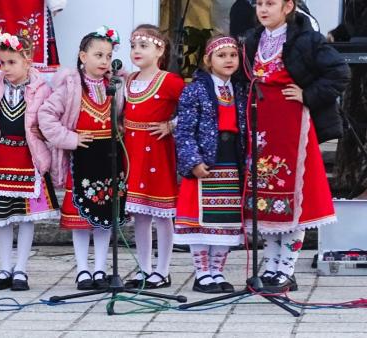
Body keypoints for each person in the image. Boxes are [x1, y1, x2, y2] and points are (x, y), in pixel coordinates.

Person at [242, 0, 350, 292]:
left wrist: (308, 94)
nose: (263, 9)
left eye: (270, 3)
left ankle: (286, 269)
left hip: (293, 125)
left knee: (293, 198)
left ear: (288, 6)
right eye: (259, 4)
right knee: (265, 197)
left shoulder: (306, 39)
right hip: (261, 126)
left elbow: (340, 72)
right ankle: (270, 265)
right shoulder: (252, 39)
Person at [38, 26, 126, 290]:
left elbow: (124, 114)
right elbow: (46, 116)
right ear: (82, 56)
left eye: (108, 56)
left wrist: (120, 126)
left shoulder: (117, 85)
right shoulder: (70, 85)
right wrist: (71, 138)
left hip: (110, 157)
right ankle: (83, 270)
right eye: (98, 55)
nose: (104, 61)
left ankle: (100, 269)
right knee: (81, 219)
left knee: (104, 217)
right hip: (82, 160)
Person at [0, 33, 59, 292]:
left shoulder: (42, 88)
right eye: (2, 63)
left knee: (26, 217)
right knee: (2, 216)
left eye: (11, 62)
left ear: (27, 61)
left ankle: (21, 269)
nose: (5, 68)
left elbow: (50, 118)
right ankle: (5, 267)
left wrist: (45, 135)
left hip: (28, 157)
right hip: (1, 156)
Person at [174, 35, 247, 294]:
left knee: (225, 220)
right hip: (205, 163)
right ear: (208, 60)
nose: (228, 60)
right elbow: (183, 131)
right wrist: (192, 161)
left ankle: (217, 271)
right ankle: (202, 273)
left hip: (230, 161)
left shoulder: (239, 90)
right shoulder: (195, 89)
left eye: (233, 55)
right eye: (222, 55)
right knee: (200, 221)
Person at [122, 24, 185, 289]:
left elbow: (195, 108)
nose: (137, 51)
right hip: (133, 154)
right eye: (134, 46)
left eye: (143, 45)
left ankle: (163, 269)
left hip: (157, 153)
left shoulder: (170, 81)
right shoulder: (128, 81)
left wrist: (171, 125)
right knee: (140, 215)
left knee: (161, 213)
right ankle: (144, 268)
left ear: (159, 50)